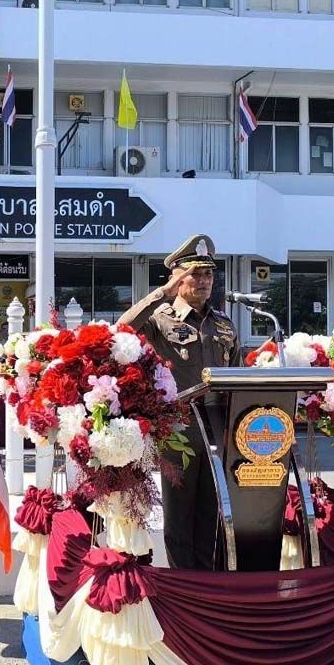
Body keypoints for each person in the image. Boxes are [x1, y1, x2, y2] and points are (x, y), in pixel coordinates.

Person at [117, 234, 240, 570]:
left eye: (208, 275)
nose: (203, 281)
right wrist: (161, 294)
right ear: (176, 277)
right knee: (180, 515)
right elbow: (122, 330)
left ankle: (207, 585)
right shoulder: (160, 318)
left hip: (218, 429)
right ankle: (184, 585)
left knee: (213, 514)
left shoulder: (224, 324)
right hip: (179, 428)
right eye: (194, 274)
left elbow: (238, 376)